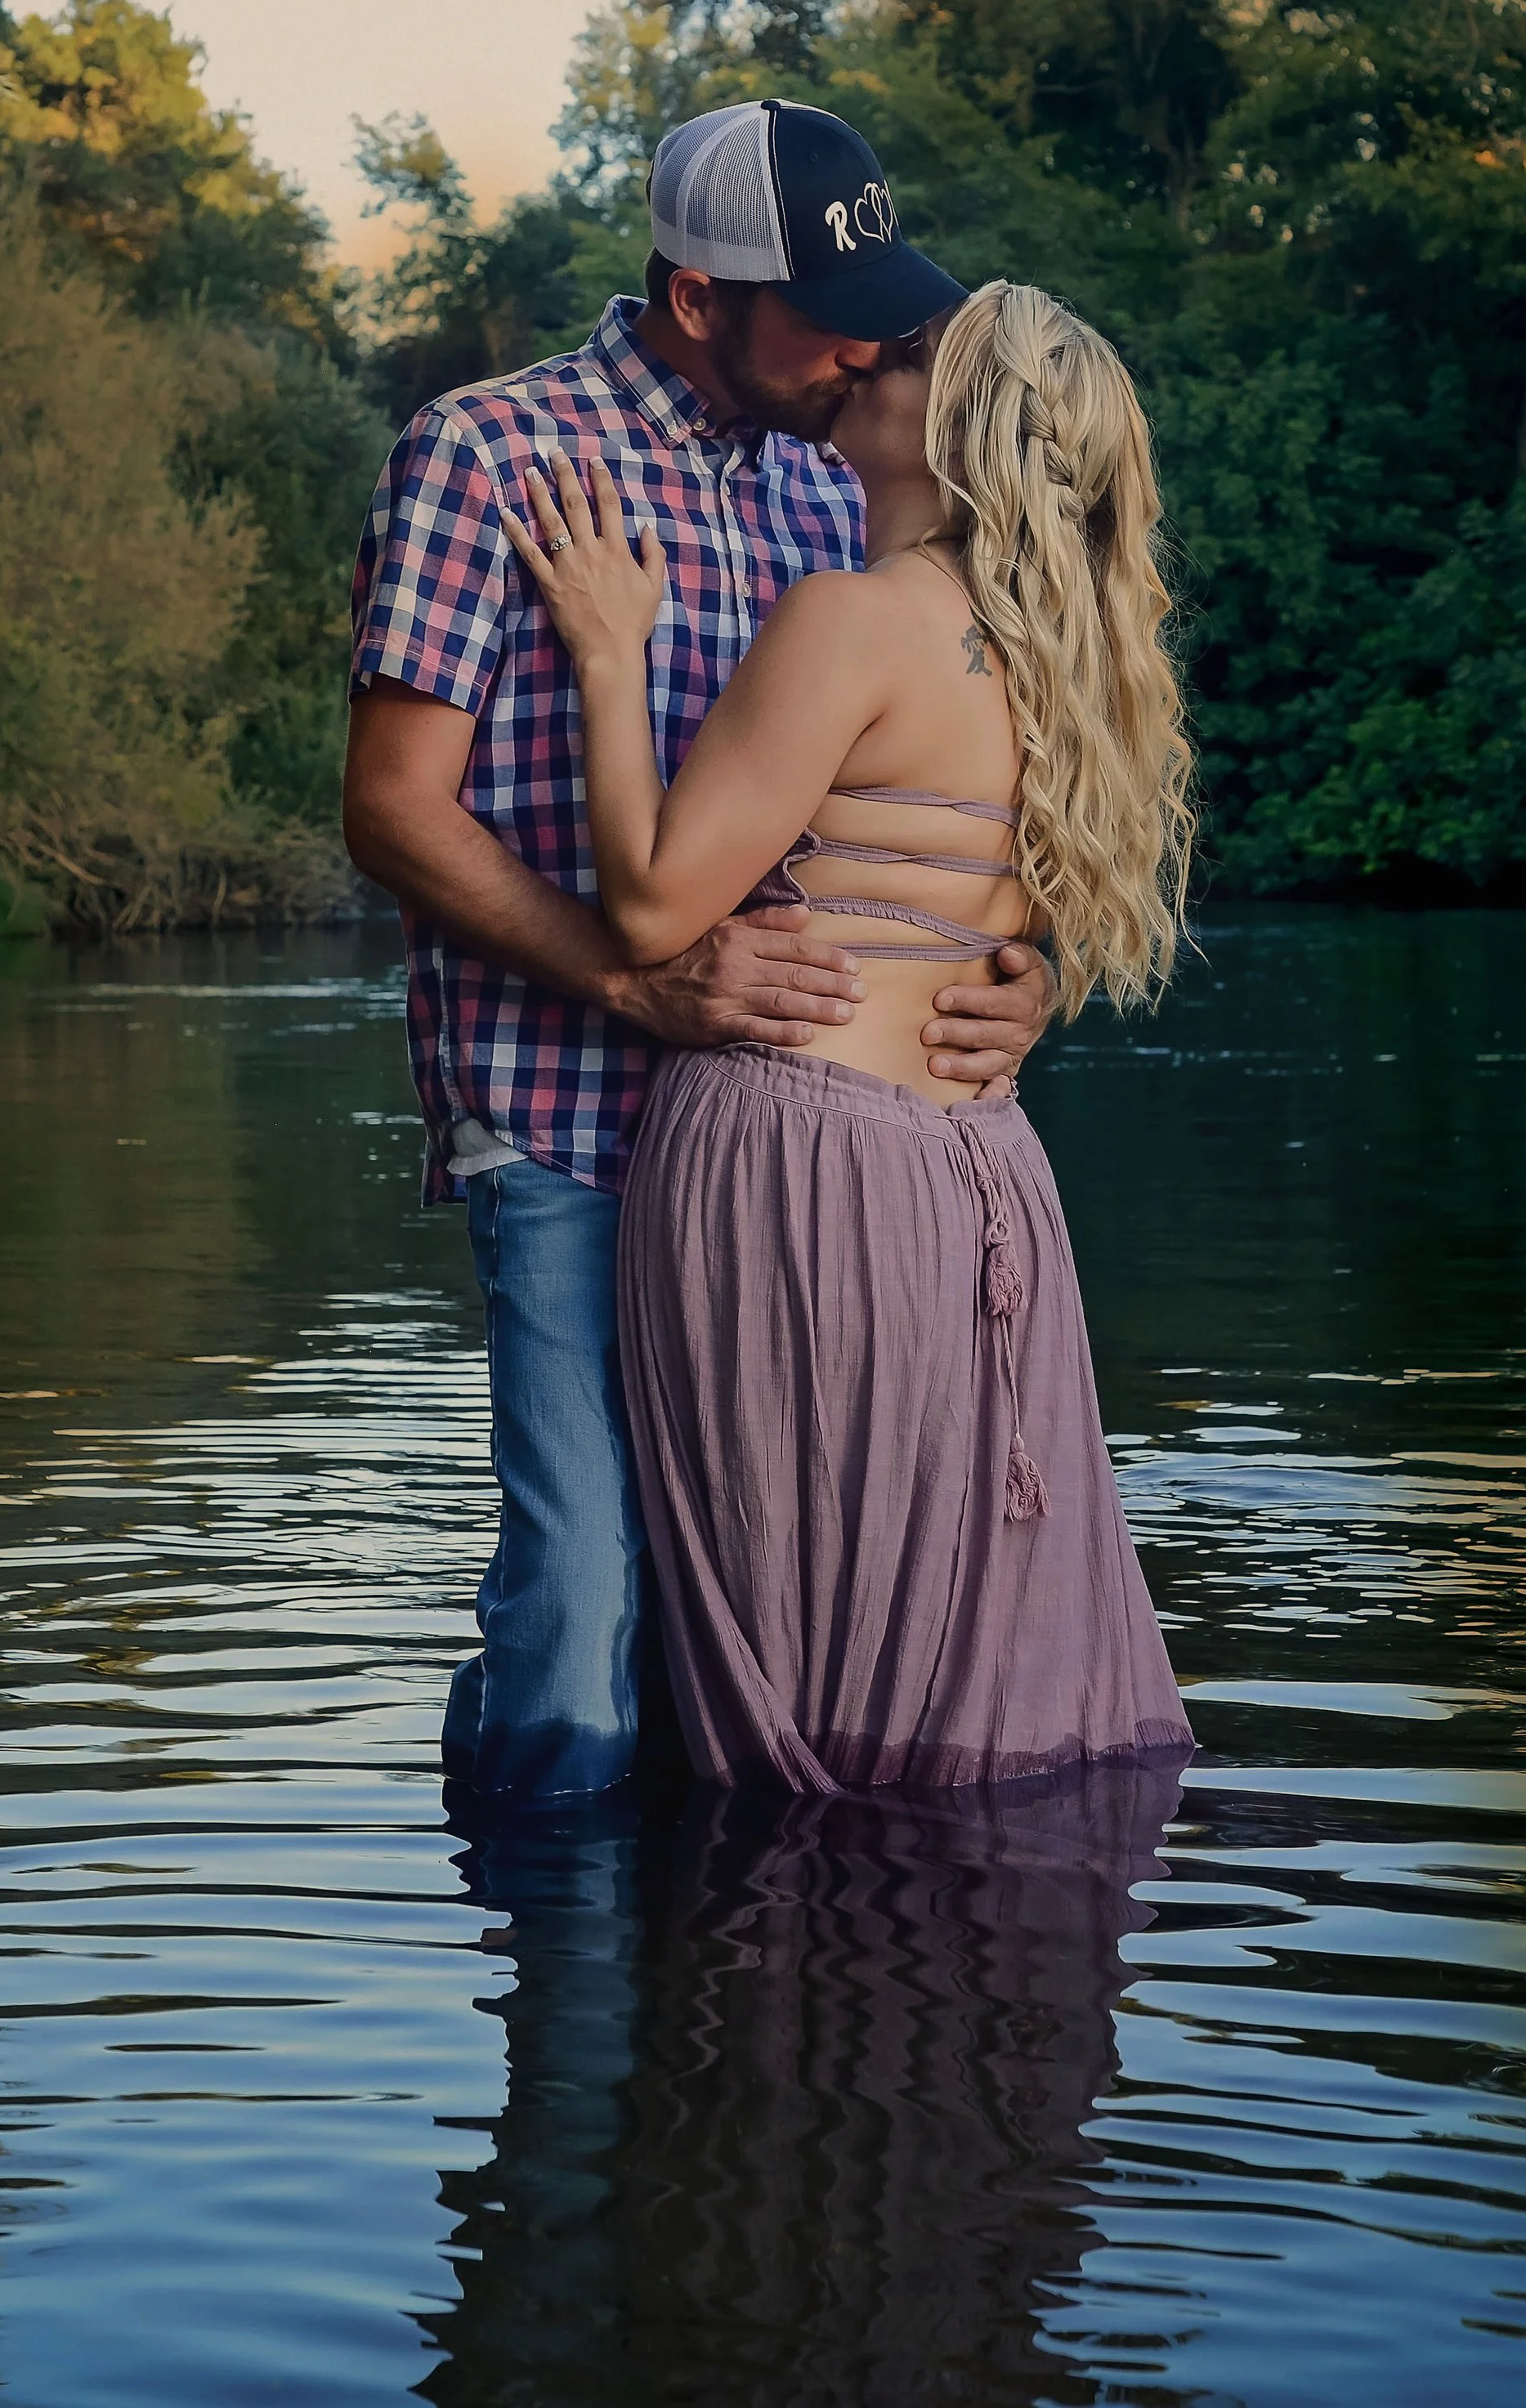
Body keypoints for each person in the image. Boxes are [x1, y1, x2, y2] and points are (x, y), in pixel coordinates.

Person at [342, 100, 1057, 1804]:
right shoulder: (488, 452)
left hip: (791, 1161)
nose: (871, 350)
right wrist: (625, 980)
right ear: (694, 298)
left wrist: (1019, 970)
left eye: (886, 314)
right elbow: (390, 807)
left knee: (748, 1608)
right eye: (834, 318)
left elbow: (920, 779)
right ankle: (553, 1947)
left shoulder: (843, 483)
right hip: (565, 1114)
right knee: (587, 1590)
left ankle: (682, 1962)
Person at [498, 280, 1197, 1795]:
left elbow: (654, 905)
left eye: (916, 354)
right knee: (955, 1615)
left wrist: (612, 654)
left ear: (955, 429)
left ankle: (772, 1923)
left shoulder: (853, 617)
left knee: (807, 1608)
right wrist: (1032, 984)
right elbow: (1004, 922)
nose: (874, 353)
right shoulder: (1067, 651)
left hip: (803, 1166)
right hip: (981, 1166)